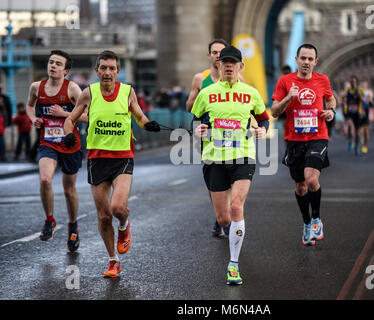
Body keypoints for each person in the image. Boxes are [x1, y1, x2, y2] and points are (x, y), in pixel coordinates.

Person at [63, 50, 161, 278]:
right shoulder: (89, 93)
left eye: (112, 68)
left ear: (118, 71)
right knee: (104, 215)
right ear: (97, 71)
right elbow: (70, 119)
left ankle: (124, 225)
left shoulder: (127, 92)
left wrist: (149, 125)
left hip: (122, 157)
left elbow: (139, 116)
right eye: (103, 68)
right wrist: (69, 134)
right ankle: (113, 260)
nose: (107, 72)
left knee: (117, 208)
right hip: (97, 159)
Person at [191, 46, 269, 285]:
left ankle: (233, 265)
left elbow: (264, 117)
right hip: (214, 158)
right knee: (224, 219)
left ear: (240, 66)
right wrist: (198, 129)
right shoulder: (207, 93)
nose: (228, 65)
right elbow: (195, 118)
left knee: (236, 206)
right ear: (218, 65)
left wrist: (262, 130)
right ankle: (231, 229)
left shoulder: (250, 93)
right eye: (224, 62)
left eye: (233, 62)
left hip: (243, 156)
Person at [271, 43, 336, 246]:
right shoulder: (285, 81)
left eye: (310, 59)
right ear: (297, 60)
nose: (306, 62)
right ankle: (306, 223)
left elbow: (331, 99)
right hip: (294, 140)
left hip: (318, 136)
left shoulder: (322, 80)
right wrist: (289, 97)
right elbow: (274, 111)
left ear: (315, 62)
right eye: (303, 58)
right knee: (300, 186)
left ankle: (316, 218)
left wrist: (331, 111)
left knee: (311, 178)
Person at [25, 50, 85, 252]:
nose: (53, 66)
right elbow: (29, 106)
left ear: (66, 70)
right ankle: (49, 220)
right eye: (51, 62)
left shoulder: (73, 89)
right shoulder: (36, 87)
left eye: (58, 64)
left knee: (69, 191)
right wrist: (34, 119)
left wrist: (65, 113)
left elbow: (88, 115)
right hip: (47, 141)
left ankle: (73, 224)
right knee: (45, 179)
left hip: (70, 143)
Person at [185, 39, 234, 238]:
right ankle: (219, 214)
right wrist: (201, 98)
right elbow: (189, 107)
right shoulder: (200, 78)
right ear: (209, 56)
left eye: (221, 52)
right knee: (214, 178)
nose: (217, 55)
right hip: (206, 136)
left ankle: (223, 216)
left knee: (230, 177)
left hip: (230, 134)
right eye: (214, 52)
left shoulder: (236, 78)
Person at [343, 75, 364, 155]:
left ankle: (356, 147)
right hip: (349, 112)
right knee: (349, 125)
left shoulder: (360, 90)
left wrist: (359, 95)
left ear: (356, 82)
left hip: (357, 113)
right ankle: (350, 140)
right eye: (351, 82)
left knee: (358, 134)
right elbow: (344, 98)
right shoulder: (347, 90)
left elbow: (364, 100)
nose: (352, 83)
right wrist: (344, 99)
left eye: (354, 82)